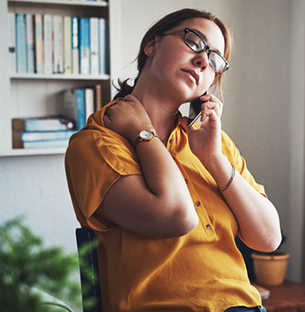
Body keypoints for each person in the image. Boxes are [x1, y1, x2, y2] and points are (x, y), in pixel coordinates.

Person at [65, 8, 281, 312]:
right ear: (151, 45)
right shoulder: (96, 142)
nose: (204, 61)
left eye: (215, 59)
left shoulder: (212, 142)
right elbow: (178, 216)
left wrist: (213, 158)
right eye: (194, 41)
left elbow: (269, 238)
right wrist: (142, 134)